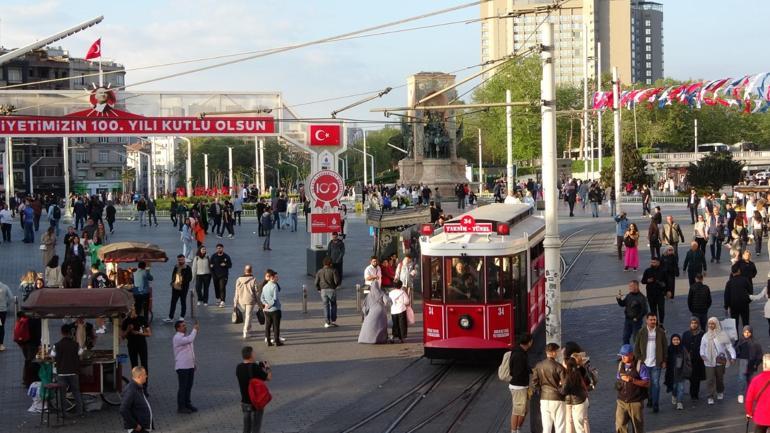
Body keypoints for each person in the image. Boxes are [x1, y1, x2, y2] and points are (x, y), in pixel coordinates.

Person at [634, 313, 667, 413]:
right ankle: (650, 399)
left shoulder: (660, 332)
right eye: (651, 320)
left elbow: (665, 347)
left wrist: (664, 360)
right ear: (646, 321)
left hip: (657, 363)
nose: (653, 322)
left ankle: (655, 404)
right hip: (645, 363)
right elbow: (636, 347)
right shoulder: (641, 332)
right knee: (648, 384)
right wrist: (640, 358)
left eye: (654, 320)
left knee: (656, 383)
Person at [700, 317, 736, 405]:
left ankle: (720, 391)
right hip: (709, 361)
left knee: (719, 378)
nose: (711, 325)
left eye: (713, 323)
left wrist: (733, 357)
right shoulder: (705, 336)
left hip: (720, 361)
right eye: (709, 324)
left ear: (716, 324)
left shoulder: (722, 334)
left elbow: (729, 346)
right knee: (710, 379)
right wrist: (703, 355)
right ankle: (710, 396)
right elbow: (702, 347)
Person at [615, 344, 650, 433]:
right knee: (620, 425)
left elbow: (646, 383)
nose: (622, 357)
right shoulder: (620, 365)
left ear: (631, 354)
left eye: (625, 355)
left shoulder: (640, 366)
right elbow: (618, 378)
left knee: (637, 427)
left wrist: (632, 380)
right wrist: (618, 385)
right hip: (622, 401)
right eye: (621, 355)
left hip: (635, 402)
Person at [236, 346, 272, 433]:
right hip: (255, 403)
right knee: (255, 428)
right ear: (251, 355)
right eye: (254, 353)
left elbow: (248, 365)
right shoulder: (254, 367)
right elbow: (269, 378)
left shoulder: (238, 367)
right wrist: (267, 368)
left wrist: (257, 364)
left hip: (244, 402)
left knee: (246, 428)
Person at [532, 342, 566, 433]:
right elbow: (564, 385)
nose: (558, 353)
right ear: (553, 352)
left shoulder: (539, 365)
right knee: (560, 426)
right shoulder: (559, 367)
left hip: (544, 398)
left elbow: (534, 382)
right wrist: (560, 391)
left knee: (546, 427)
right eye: (557, 351)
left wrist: (540, 389)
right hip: (557, 398)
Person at [53, 324, 85, 417]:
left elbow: (52, 355)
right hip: (73, 372)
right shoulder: (76, 345)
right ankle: (80, 412)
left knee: (62, 394)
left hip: (61, 373)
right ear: (70, 333)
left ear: (61, 332)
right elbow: (81, 353)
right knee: (76, 392)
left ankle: (64, 414)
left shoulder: (56, 345)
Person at [121, 306, 151, 396]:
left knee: (144, 365)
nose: (130, 311)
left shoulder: (141, 319)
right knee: (134, 366)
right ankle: (136, 386)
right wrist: (128, 330)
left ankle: (144, 387)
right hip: (131, 345)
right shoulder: (126, 321)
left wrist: (139, 333)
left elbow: (149, 333)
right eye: (129, 310)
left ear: (135, 310)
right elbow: (122, 336)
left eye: (132, 309)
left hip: (142, 345)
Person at [507, 333, 533, 433]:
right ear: (529, 342)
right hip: (518, 386)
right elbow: (516, 372)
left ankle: (517, 429)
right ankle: (514, 431)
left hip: (522, 386)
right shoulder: (519, 354)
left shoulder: (520, 351)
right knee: (517, 411)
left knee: (524, 410)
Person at [173, 319, 199, 414]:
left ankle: (187, 403)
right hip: (182, 367)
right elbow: (190, 339)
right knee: (183, 387)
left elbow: (190, 351)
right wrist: (195, 330)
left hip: (189, 366)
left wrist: (193, 363)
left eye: (185, 325)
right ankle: (181, 406)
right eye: (183, 326)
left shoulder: (185, 336)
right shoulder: (177, 338)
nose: (185, 327)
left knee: (189, 386)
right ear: (178, 328)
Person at [735, 325, 763, 404]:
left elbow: (759, 355)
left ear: (751, 333)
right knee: (741, 378)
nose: (746, 334)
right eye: (745, 332)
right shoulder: (740, 341)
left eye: (748, 332)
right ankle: (741, 394)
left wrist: (756, 364)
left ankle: (750, 394)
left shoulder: (755, 343)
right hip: (743, 362)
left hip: (752, 363)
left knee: (750, 379)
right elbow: (736, 351)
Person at [120, 366, 153, 433]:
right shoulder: (131, 390)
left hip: (141, 428)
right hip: (137, 429)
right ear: (139, 376)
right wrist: (135, 425)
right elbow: (123, 409)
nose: (146, 376)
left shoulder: (138, 387)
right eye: (145, 374)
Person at [664, 334, 691, 410]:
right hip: (672, 373)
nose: (676, 341)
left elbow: (687, 359)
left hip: (681, 371)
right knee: (674, 387)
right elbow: (666, 359)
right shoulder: (669, 349)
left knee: (681, 388)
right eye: (674, 340)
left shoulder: (683, 349)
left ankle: (679, 402)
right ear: (672, 341)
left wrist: (688, 367)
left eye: (677, 340)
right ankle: (674, 395)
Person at [616, 280, 648, 345]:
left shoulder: (641, 297)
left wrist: (637, 318)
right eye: (629, 286)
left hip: (636, 321)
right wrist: (619, 299)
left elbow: (645, 310)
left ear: (636, 286)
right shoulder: (629, 295)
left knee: (636, 338)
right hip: (627, 320)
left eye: (631, 286)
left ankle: (637, 353)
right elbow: (623, 304)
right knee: (625, 337)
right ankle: (627, 353)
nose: (629, 287)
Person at [358, 280, 390, 344]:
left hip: (372, 312)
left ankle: (367, 339)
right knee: (381, 325)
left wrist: (365, 315)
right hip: (381, 311)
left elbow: (365, 306)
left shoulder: (369, 295)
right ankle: (381, 339)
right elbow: (386, 301)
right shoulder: (381, 293)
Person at [682, 317, 706, 401]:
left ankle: (695, 394)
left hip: (698, 359)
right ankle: (692, 393)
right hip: (689, 359)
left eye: (695, 323)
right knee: (691, 377)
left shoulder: (702, 334)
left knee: (697, 378)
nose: (694, 325)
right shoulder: (686, 334)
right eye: (692, 323)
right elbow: (683, 345)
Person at [744, 354, 770, 433]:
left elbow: (749, 399)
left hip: (761, 416)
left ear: (764, 365)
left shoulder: (756, 380)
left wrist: (749, 412)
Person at [164, 254, 193, 323]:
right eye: (179, 260)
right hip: (175, 287)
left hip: (183, 288)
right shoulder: (176, 266)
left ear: (184, 259)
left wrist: (182, 281)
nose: (180, 261)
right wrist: (172, 282)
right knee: (173, 302)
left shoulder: (187, 268)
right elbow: (173, 275)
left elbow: (190, 278)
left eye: (182, 259)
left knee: (183, 302)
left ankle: (182, 317)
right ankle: (170, 317)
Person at [725, 265, 753, 330]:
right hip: (744, 304)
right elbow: (750, 291)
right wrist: (748, 300)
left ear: (732, 272)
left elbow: (727, 295)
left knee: (735, 323)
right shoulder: (745, 280)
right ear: (739, 271)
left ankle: (736, 338)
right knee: (745, 322)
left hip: (733, 306)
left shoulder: (729, 282)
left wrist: (726, 306)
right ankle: (747, 337)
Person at [234, 265, 259, 339]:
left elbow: (236, 291)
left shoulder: (239, 279)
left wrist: (235, 302)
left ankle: (249, 328)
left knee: (246, 315)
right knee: (248, 315)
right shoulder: (253, 279)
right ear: (251, 271)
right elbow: (256, 291)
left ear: (244, 271)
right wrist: (259, 302)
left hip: (241, 300)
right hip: (250, 300)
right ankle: (245, 331)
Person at [315, 257, 340, 328]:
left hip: (323, 290)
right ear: (331, 264)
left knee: (325, 306)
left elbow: (316, 282)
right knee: (333, 305)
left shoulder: (319, 271)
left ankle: (327, 322)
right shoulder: (333, 271)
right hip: (332, 289)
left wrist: (318, 289)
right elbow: (337, 281)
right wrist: (335, 286)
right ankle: (333, 320)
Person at [641, 258, 667, 324]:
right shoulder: (647, 271)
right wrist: (647, 280)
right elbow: (643, 281)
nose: (653, 264)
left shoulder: (663, 271)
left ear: (658, 263)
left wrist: (667, 291)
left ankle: (661, 323)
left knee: (661, 309)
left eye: (654, 262)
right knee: (653, 310)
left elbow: (667, 282)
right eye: (652, 262)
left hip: (660, 293)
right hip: (650, 294)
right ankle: (655, 323)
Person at [261, 269, 282, 346]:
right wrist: (270, 305)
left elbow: (262, 298)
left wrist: (265, 305)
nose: (278, 278)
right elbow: (275, 299)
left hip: (267, 311)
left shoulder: (265, 286)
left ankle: (269, 341)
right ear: (272, 277)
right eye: (276, 277)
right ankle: (277, 341)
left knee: (268, 326)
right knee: (276, 326)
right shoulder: (274, 286)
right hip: (275, 309)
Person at [210, 243, 233, 308]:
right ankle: (218, 298)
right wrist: (212, 273)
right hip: (215, 275)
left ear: (222, 248)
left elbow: (230, 265)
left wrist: (225, 265)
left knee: (222, 288)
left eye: (220, 248)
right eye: (217, 248)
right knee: (216, 288)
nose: (218, 249)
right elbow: (210, 265)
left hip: (223, 275)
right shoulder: (213, 256)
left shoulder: (226, 256)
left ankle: (223, 301)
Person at [0, 280, 11, 352]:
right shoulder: (5, 286)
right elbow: (11, 298)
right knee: (1, 327)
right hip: (2, 310)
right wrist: (6, 304)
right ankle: (1, 344)